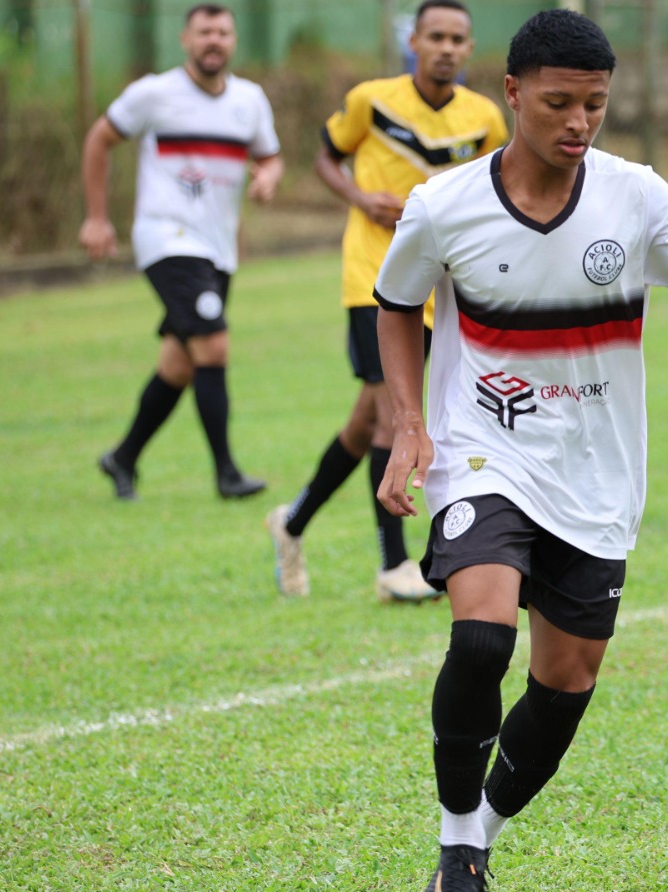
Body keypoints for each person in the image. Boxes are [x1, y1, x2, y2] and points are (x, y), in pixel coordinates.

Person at [372, 8, 668, 892]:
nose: (578, 123)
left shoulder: (638, 198)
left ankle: (482, 837)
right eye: (560, 103)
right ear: (514, 94)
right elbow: (396, 304)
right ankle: (454, 843)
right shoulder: (443, 206)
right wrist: (409, 425)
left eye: (596, 106)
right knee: (483, 638)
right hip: (486, 453)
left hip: (599, 474)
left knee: (565, 681)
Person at [265, 0, 507, 603]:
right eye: (436, 37)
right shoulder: (371, 100)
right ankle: (394, 566)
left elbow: (493, 189)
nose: (447, 48)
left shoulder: (485, 119)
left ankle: (290, 524)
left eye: (458, 38)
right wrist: (357, 196)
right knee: (387, 416)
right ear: (414, 42)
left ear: (469, 48)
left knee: (362, 422)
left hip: (441, 288)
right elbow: (325, 155)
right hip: (372, 280)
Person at [81, 3, 282, 501]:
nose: (214, 40)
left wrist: (269, 176)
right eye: (204, 32)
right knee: (213, 344)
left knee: (180, 363)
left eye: (223, 32)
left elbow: (270, 156)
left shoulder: (249, 100)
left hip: (216, 248)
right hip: (165, 238)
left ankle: (122, 458)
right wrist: (97, 216)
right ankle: (227, 475)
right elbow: (98, 140)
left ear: (233, 41)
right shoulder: (154, 93)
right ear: (184, 40)